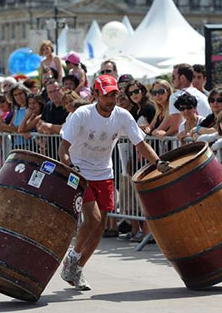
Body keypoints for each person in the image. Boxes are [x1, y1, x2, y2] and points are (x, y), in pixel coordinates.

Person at [58, 74, 170, 290]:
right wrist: (69, 165)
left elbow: (140, 144)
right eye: (107, 95)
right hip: (81, 172)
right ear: (96, 94)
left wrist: (157, 163)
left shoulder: (123, 116)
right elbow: (63, 146)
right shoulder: (83, 114)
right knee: (92, 218)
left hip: (104, 173)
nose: (111, 99)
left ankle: (77, 268)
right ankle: (72, 257)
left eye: (114, 95)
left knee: (99, 227)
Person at [168, 63, 212, 135]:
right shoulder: (204, 96)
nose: (172, 80)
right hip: (204, 140)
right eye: (182, 108)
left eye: (173, 77)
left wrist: (163, 135)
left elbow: (175, 127)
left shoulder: (175, 97)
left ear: (182, 78)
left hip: (189, 141)